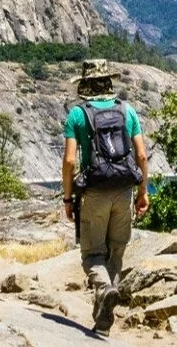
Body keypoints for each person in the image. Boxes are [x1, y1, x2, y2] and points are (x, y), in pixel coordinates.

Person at [62, 65, 149, 332]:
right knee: (116, 253)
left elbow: (69, 161)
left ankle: (103, 289)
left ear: (85, 86)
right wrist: (143, 193)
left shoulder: (78, 115)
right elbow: (142, 156)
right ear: (108, 83)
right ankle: (103, 321)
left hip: (94, 193)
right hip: (124, 192)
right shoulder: (127, 111)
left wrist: (68, 198)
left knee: (91, 254)